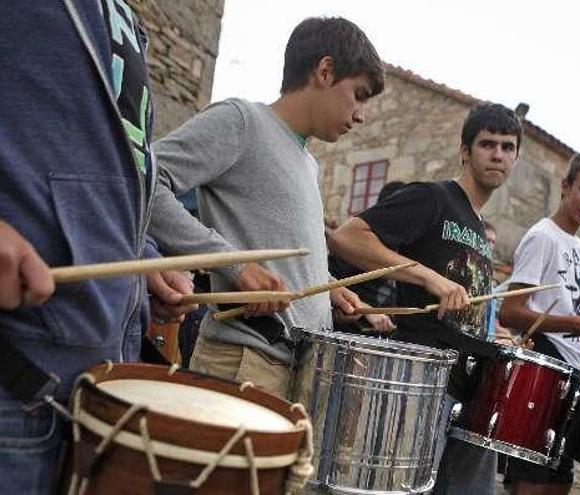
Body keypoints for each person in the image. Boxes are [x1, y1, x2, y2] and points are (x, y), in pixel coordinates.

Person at [0, 2, 195, 493]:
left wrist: (140, 259)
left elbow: (95, 178)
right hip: (14, 380)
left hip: (88, 390)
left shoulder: (120, 17)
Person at [147, 16, 385, 398]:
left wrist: (323, 292)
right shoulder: (242, 122)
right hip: (242, 361)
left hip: (291, 371)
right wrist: (234, 265)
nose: (360, 115)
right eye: (358, 95)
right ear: (325, 71)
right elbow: (143, 180)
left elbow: (277, 252)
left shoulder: (308, 162)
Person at [330, 103, 537, 493]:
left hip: (467, 388)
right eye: (487, 144)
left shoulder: (477, 224)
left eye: (507, 147)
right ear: (464, 151)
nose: (497, 154)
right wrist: (427, 277)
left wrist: (491, 337)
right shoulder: (433, 198)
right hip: (421, 385)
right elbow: (347, 237)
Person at [499, 150, 580, 495]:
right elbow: (509, 313)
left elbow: (577, 315)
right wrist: (576, 324)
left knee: (560, 482)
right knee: (530, 482)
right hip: (540, 370)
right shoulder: (542, 236)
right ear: (566, 185)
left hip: (570, 374)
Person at [329, 181, 406, 334]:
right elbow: (326, 286)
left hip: (382, 340)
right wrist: (365, 310)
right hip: (347, 336)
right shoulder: (355, 243)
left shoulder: (404, 249)